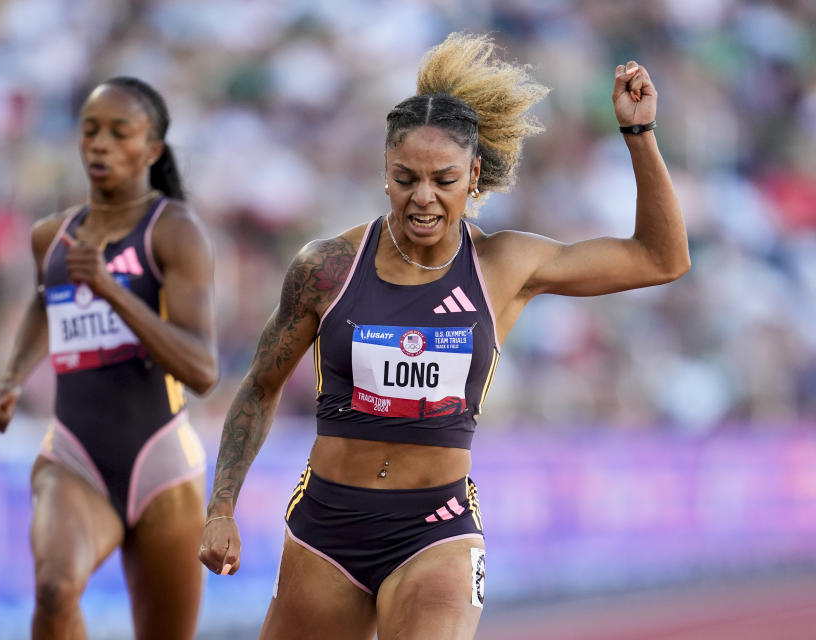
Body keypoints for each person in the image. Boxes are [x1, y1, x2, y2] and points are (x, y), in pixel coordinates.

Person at [198, 32, 688, 639]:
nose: (423, 197)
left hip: (435, 527)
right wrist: (221, 507)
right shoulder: (325, 268)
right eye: (405, 178)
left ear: (474, 175)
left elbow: (660, 259)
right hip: (327, 526)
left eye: (443, 179)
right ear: (384, 172)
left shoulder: (505, 267)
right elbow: (259, 387)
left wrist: (639, 136)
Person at [0, 76, 218, 640]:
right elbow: (48, 304)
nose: (100, 144)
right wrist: (12, 378)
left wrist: (113, 292)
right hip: (75, 456)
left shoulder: (175, 231)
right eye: (90, 131)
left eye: (119, 132)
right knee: (55, 589)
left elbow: (203, 370)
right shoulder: (51, 237)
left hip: (163, 462)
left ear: (152, 149)